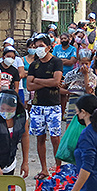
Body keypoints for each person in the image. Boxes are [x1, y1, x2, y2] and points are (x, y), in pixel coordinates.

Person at [26, 35, 63, 179]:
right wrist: (48, 81)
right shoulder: (34, 65)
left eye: (40, 46)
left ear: (48, 47)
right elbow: (29, 86)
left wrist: (38, 81)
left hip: (53, 105)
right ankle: (44, 169)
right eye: (36, 46)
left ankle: (59, 168)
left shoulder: (56, 62)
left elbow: (56, 81)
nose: (38, 49)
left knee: (55, 138)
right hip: (37, 106)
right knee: (40, 138)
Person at [53, 31, 78, 120]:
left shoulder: (72, 49)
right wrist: (64, 61)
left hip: (68, 74)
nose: (63, 40)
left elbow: (72, 61)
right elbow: (53, 60)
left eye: (65, 38)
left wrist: (60, 60)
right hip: (57, 73)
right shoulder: (56, 48)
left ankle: (63, 113)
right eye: (62, 38)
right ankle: (57, 113)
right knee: (58, 93)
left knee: (64, 95)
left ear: (69, 39)